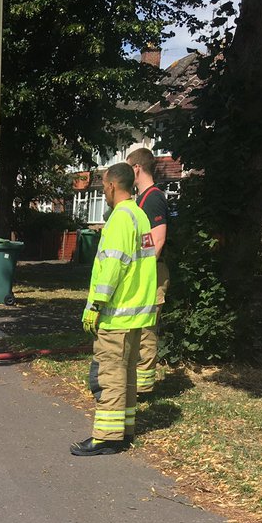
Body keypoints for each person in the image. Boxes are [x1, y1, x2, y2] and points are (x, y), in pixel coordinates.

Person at [72, 162, 158, 457]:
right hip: (137, 314)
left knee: (109, 375)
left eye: (104, 185)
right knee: (127, 376)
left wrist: (95, 305)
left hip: (116, 313)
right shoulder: (140, 215)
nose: (103, 190)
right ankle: (124, 430)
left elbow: (112, 268)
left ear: (111, 185)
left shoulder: (120, 218)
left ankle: (107, 437)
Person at [127, 146, 170, 394]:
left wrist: (143, 270)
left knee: (145, 328)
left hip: (152, 274)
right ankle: (138, 383)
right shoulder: (141, 199)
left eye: (127, 167)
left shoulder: (153, 198)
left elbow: (159, 239)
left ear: (137, 168)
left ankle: (143, 388)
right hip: (145, 272)